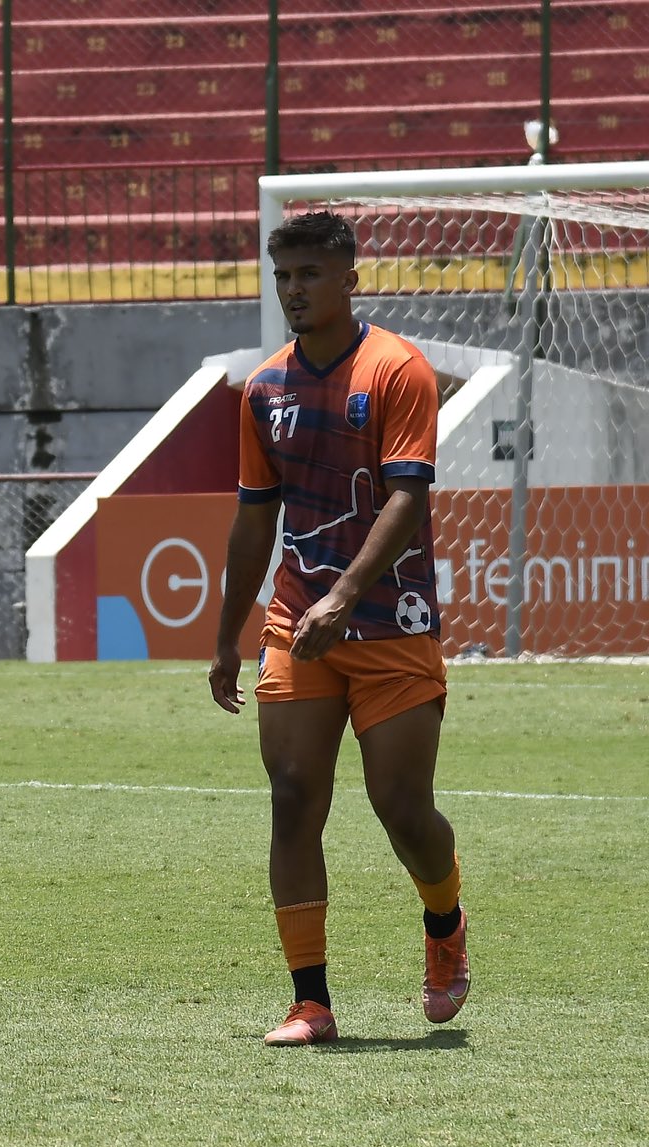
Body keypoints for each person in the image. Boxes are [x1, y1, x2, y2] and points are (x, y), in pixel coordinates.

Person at [209, 209, 470, 1047]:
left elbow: (407, 497)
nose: (293, 290)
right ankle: (310, 1001)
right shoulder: (264, 389)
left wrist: (347, 594)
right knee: (292, 799)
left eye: (310, 275)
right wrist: (226, 637)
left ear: (350, 279)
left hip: (391, 621)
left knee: (401, 807)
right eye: (283, 276)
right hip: (297, 621)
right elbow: (254, 520)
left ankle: (444, 924)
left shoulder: (398, 370)